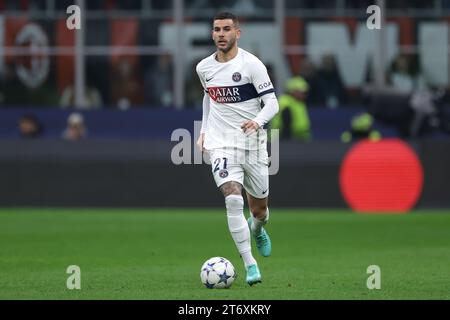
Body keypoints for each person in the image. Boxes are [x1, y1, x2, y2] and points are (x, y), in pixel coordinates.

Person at [196, 12, 279, 286]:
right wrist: (204, 132)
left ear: (237, 33)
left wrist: (257, 121)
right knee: (232, 197)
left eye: (227, 29)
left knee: (259, 211)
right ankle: (250, 264)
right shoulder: (203, 68)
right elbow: (209, 100)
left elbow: (272, 104)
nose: (221, 33)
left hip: (253, 145)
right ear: (212, 34)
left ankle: (258, 229)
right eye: (217, 29)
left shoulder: (252, 65)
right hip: (222, 145)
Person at [270, 76, 311, 141]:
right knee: (275, 151)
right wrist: (287, 139)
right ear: (293, 90)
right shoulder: (285, 101)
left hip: (299, 137)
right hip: (279, 137)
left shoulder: (299, 102)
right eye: (301, 92)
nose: (304, 94)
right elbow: (286, 121)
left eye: (305, 92)